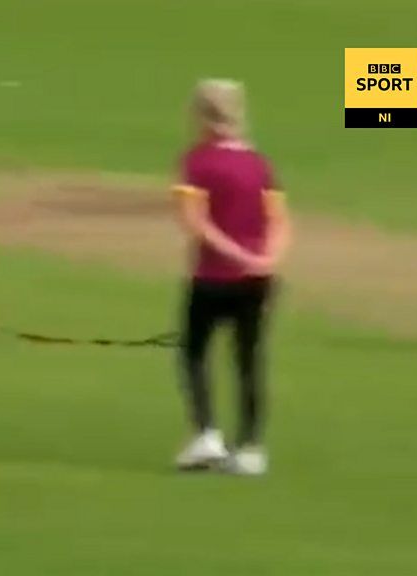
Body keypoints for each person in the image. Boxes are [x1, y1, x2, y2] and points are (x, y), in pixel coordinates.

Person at [171, 79, 292, 476]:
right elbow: (279, 222)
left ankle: (207, 435)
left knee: (193, 353)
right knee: (249, 360)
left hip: (212, 277)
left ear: (201, 116)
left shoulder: (196, 162)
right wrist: (265, 259)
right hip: (257, 281)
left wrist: (235, 254)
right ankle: (251, 448)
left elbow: (195, 224)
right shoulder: (259, 164)